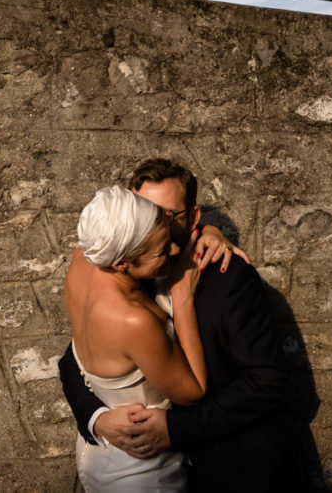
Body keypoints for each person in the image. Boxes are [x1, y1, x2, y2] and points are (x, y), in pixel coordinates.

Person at [59, 159, 298, 492]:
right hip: (133, 463)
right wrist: (97, 419)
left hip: (227, 468)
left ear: (194, 217)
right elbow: (72, 359)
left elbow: (267, 381)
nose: (156, 224)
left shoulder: (230, 278)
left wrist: (176, 427)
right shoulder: (116, 269)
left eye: (169, 215)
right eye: (146, 209)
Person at [65, 185, 208, 492]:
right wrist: (181, 298)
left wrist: (209, 233)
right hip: (142, 471)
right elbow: (193, 392)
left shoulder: (83, 258)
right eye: (161, 251)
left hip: (96, 454)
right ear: (121, 263)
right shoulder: (132, 319)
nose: (173, 250)